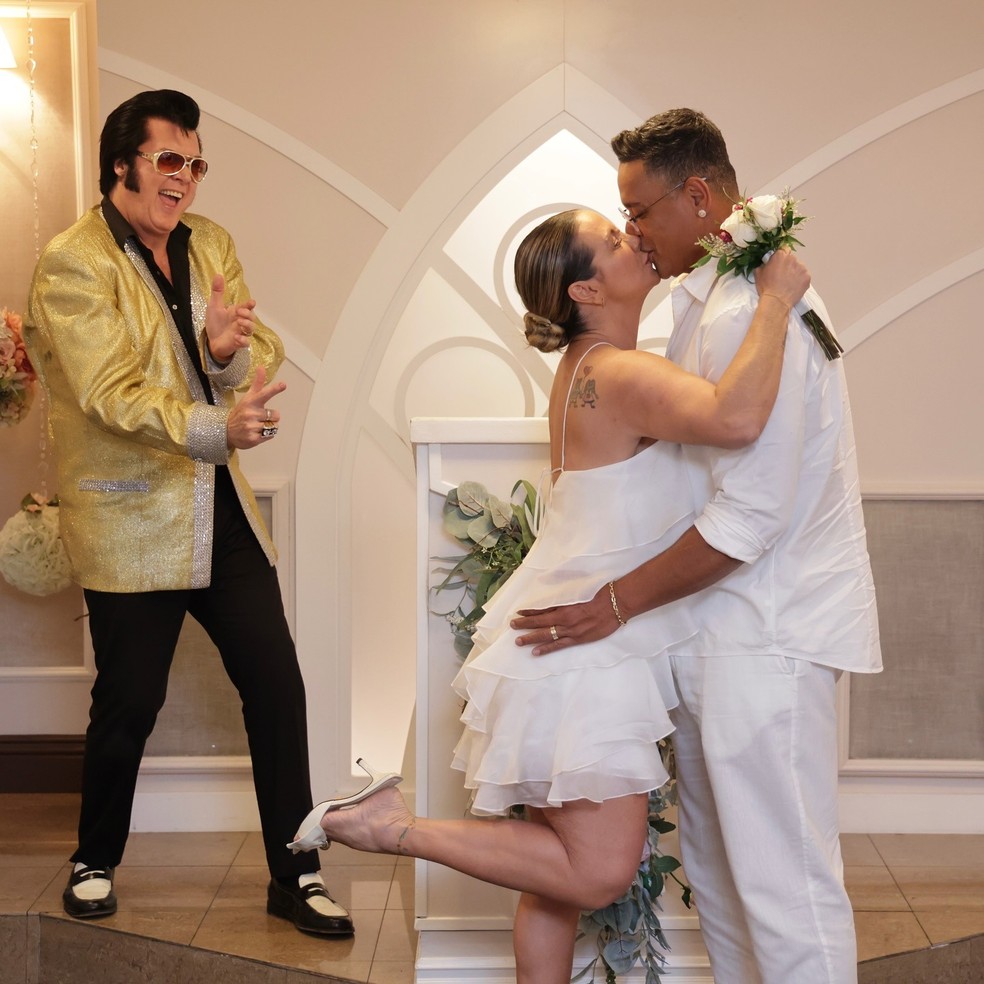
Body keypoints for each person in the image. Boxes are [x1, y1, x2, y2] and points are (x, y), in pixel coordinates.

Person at [288, 207, 810, 983]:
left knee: (554, 881)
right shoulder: (616, 373)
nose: (634, 237)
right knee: (595, 873)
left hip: (557, 642)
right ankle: (391, 826)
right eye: (613, 240)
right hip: (577, 654)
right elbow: (735, 419)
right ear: (586, 290)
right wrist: (774, 300)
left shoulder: (587, 368)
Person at [511, 109, 883, 984]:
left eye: (639, 212)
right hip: (709, 630)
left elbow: (750, 515)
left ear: (700, 197)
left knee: (785, 887)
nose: (635, 231)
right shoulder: (705, 302)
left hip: (765, 634)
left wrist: (614, 604)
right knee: (719, 882)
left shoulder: (756, 309)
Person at [25, 89, 351, 937]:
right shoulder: (72, 263)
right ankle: (94, 860)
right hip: (130, 518)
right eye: (170, 159)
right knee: (130, 701)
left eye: (196, 164)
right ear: (122, 163)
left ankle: (297, 871)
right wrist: (214, 423)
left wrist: (223, 353)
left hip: (219, 508)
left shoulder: (210, 243)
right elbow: (107, 393)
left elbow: (257, 343)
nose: (186, 178)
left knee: (276, 685)